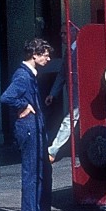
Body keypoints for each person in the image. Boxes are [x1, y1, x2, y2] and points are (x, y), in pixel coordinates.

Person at [0, 38, 53, 211]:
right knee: (32, 172)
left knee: (41, 171)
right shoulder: (23, 77)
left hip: (34, 127)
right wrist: (24, 106)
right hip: (29, 128)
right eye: (45, 54)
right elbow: (7, 97)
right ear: (34, 55)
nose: (48, 58)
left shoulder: (29, 75)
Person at [44, 27, 78, 163]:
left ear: (74, 33)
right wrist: (53, 93)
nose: (62, 36)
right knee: (71, 120)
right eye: (61, 33)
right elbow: (62, 74)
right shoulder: (68, 51)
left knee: (69, 120)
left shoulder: (82, 49)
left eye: (65, 33)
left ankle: (53, 150)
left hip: (82, 93)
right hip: (73, 92)